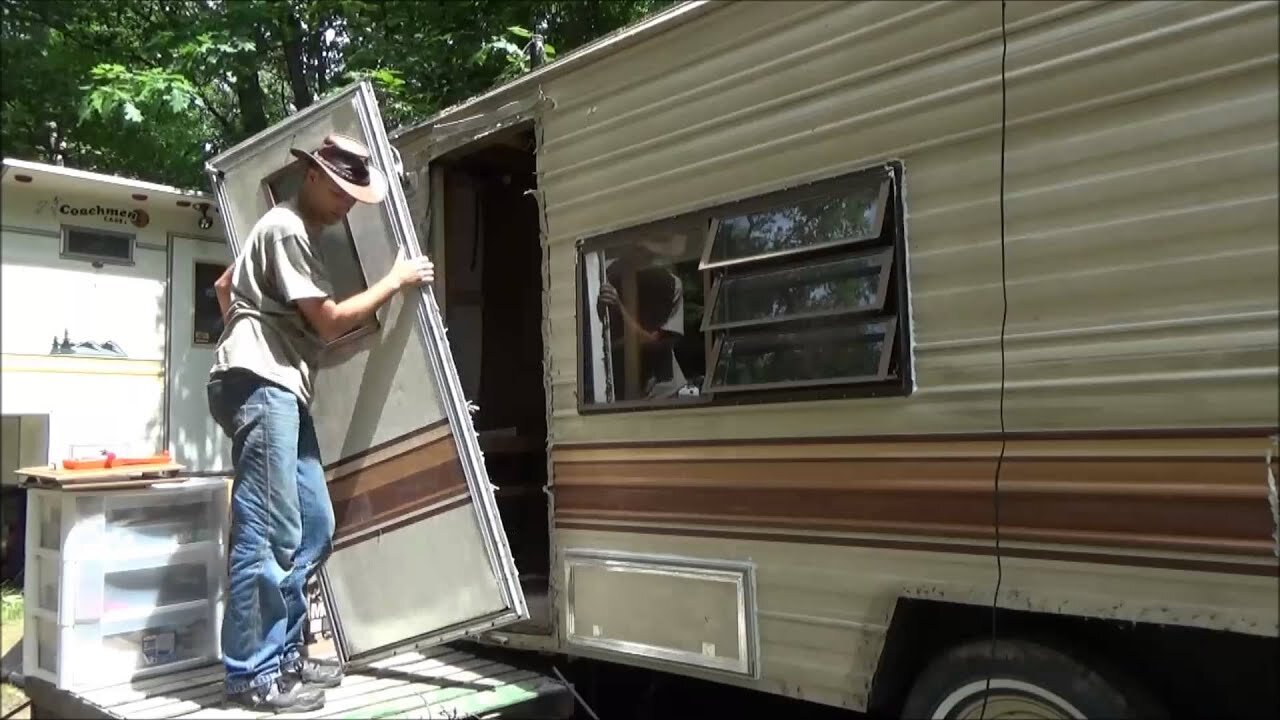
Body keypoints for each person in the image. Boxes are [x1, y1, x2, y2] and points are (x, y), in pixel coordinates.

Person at [208, 133, 434, 713]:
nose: (347, 204)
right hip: (261, 386)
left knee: (313, 529)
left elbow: (224, 286)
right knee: (267, 532)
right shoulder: (286, 226)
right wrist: (395, 281)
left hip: (278, 386)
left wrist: (249, 326)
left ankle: (284, 653)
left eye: (354, 196)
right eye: (341, 192)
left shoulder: (287, 232)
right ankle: (250, 673)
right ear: (311, 176)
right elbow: (330, 323)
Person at [597, 233, 689, 400]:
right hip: (619, 389)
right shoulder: (604, 274)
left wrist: (619, 308)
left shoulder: (671, 284)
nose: (647, 255)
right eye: (641, 248)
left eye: (651, 251)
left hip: (662, 391)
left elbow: (654, 341)